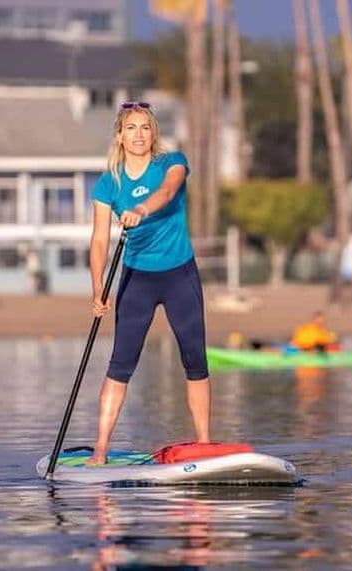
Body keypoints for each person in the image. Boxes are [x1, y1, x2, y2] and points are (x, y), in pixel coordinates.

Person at [87, 101, 210, 465]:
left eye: (145, 127)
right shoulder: (109, 183)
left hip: (179, 274)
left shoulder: (172, 164)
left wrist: (141, 210)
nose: (138, 134)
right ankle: (100, 451)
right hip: (136, 279)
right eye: (131, 128)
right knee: (120, 365)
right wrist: (98, 290)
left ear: (153, 133)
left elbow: (169, 192)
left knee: (195, 360)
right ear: (120, 136)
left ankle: (204, 446)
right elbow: (97, 241)